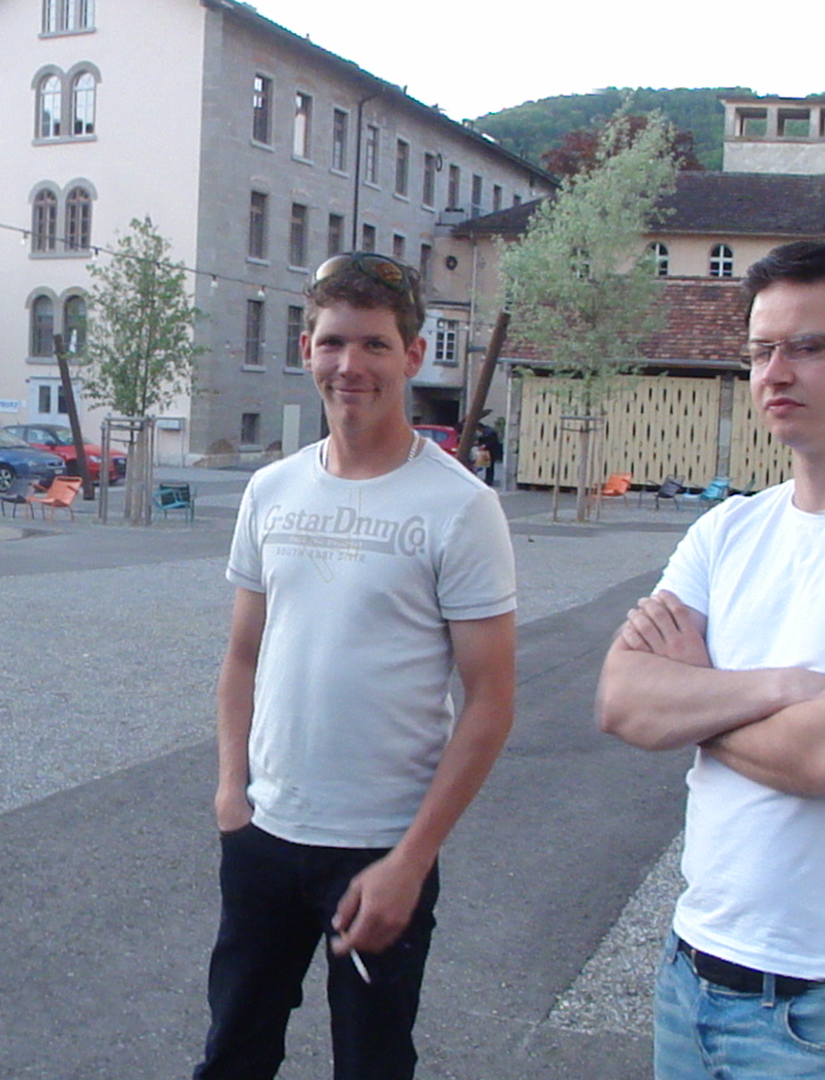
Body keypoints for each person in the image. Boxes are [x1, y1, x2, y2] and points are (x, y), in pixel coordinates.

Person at [595, 239, 825, 1078]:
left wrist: (696, 697)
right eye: (763, 350)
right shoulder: (726, 530)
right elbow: (621, 701)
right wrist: (787, 689)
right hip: (692, 977)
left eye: (809, 346)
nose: (777, 372)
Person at [198, 253, 520, 1080]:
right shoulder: (272, 491)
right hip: (266, 833)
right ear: (306, 348)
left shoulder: (460, 507)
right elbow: (243, 657)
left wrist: (411, 859)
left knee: (373, 1064)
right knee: (232, 1055)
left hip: (380, 846)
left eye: (375, 345)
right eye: (334, 342)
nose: (352, 365)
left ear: (411, 356)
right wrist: (232, 792)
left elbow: (490, 702)